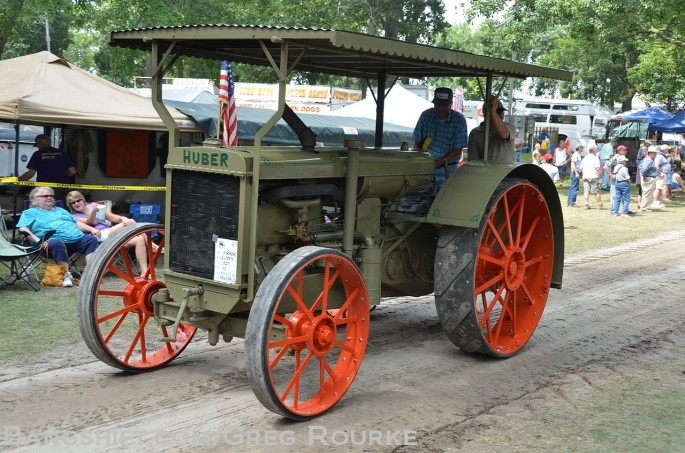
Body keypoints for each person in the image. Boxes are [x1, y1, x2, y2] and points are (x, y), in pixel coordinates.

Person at [16, 186, 99, 287]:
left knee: (91, 239)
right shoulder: (29, 213)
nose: (50, 198)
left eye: (51, 196)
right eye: (45, 196)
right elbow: (23, 229)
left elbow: (76, 223)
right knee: (57, 242)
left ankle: (91, 274)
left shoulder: (61, 210)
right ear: (35, 199)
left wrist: (91, 229)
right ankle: (66, 276)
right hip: (49, 245)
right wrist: (39, 241)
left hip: (75, 240)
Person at [65, 191, 161, 277]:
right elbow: (89, 222)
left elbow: (114, 218)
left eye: (78, 200)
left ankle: (144, 272)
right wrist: (94, 212)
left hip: (110, 234)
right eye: (73, 203)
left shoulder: (95, 206)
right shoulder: (74, 216)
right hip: (97, 237)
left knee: (139, 239)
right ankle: (152, 246)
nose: (76, 204)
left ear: (83, 199)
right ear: (70, 206)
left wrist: (123, 218)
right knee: (130, 221)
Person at [413, 87, 468, 194]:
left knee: (445, 200)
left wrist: (438, 162)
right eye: (438, 105)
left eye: (444, 106)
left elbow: (458, 150)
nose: (441, 109)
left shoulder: (459, 120)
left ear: (451, 104)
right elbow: (416, 143)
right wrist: (422, 159)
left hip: (449, 169)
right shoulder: (425, 116)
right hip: (426, 168)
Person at [18, 134, 77, 200]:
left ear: (39, 143)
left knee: (44, 208)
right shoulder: (62, 153)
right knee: (59, 207)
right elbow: (73, 172)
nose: (37, 147)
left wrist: (18, 180)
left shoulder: (37, 154)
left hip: (44, 189)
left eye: (37, 145)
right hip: (60, 188)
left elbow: (30, 174)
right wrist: (62, 174)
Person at [467, 96, 516, 163]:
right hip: (485, 172)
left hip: (506, 172)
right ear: (486, 113)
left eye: (502, 112)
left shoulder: (510, 127)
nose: (501, 115)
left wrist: (493, 111)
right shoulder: (475, 133)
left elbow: (504, 135)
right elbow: (473, 161)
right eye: (497, 112)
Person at [604, 144, 628, 215]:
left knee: (622, 195)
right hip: (615, 179)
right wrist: (611, 175)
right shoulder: (615, 158)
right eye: (624, 150)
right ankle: (613, 210)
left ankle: (624, 209)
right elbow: (605, 167)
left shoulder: (623, 158)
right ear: (620, 151)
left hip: (621, 179)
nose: (626, 151)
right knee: (614, 195)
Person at [581, 145, 604, 209]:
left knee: (586, 190)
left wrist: (584, 175)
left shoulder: (585, 158)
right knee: (596, 191)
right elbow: (597, 169)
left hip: (585, 176)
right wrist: (600, 177)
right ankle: (599, 205)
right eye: (596, 150)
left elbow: (582, 168)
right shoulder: (595, 158)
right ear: (594, 150)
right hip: (593, 176)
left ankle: (586, 203)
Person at [638, 146, 658, 212]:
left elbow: (640, 167)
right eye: (654, 153)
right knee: (647, 194)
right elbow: (643, 169)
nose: (655, 154)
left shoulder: (647, 159)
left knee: (647, 193)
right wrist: (643, 176)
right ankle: (643, 208)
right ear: (650, 153)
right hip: (649, 178)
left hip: (648, 178)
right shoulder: (649, 160)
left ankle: (645, 207)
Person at [652, 144, 672, 208]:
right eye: (667, 149)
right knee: (658, 188)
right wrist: (660, 173)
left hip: (664, 173)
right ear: (664, 149)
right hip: (662, 174)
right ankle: (655, 202)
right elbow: (656, 165)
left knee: (660, 188)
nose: (668, 150)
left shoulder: (663, 156)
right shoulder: (659, 156)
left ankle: (658, 201)